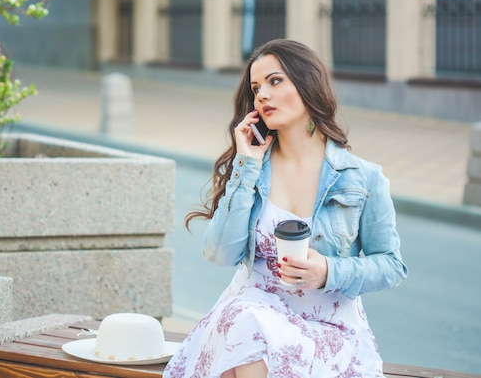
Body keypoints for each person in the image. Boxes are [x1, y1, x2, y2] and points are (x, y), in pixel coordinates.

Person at [163, 39, 408, 378]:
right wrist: (246, 166)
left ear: (308, 84)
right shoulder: (252, 169)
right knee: (246, 324)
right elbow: (220, 253)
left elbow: (391, 265)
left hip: (325, 327)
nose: (262, 94)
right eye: (256, 87)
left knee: (245, 332)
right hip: (251, 318)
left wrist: (329, 271)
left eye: (275, 81)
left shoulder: (363, 178)